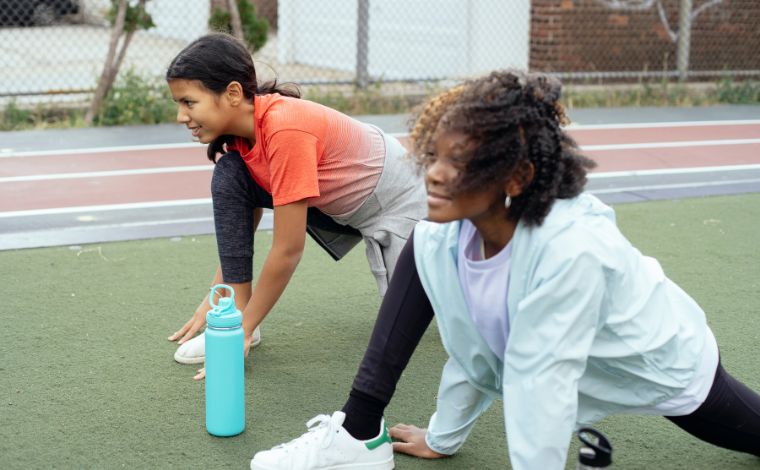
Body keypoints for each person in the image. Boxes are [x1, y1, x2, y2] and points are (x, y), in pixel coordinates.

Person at [249, 70, 760, 470]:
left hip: (658, 362)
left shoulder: (570, 253)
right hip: (566, 359)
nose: (436, 173)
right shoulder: (443, 236)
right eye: (435, 155)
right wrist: (443, 438)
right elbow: (478, 352)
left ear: (518, 175)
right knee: (423, 245)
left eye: (463, 162)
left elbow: (542, 394)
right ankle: (356, 429)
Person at [164, 33, 427, 380]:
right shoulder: (244, 135)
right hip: (338, 203)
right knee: (230, 175)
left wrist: (239, 332)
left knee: (439, 305)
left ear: (231, 93)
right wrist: (222, 301)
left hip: (398, 198)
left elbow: (288, 249)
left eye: (188, 102)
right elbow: (245, 211)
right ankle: (240, 313)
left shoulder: (284, 129)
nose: (181, 116)